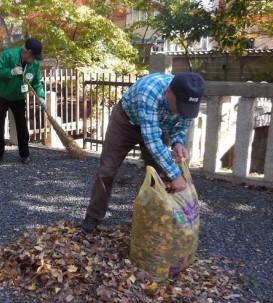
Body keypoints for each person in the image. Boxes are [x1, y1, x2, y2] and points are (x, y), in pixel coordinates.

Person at [80, 72, 205, 233]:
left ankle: (155, 217)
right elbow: (152, 141)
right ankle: (93, 217)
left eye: (186, 109)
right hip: (125, 122)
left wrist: (178, 141)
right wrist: (176, 175)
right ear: (168, 93)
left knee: (159, 175)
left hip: (157, 126)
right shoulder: (150, 92)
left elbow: (181, 126)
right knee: (107, 171)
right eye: (179, 107)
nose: (182, 112)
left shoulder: (188, 96)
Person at [0, 38, 46, 164]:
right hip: (2, 94)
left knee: (21, 125)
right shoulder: (8, 54)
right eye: (33, 57)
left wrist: (41, 96)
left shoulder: (34, 64)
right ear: (26, 53)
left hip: (19, 97)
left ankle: (24, 154)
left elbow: (37, 81)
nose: (35, 60)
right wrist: (11, 72)